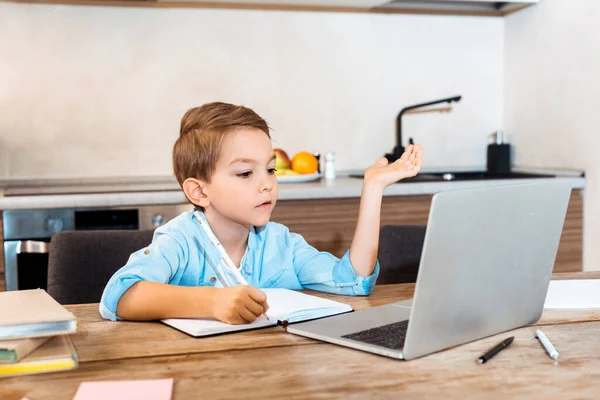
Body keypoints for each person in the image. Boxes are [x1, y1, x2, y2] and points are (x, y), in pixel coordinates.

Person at [100, 102, 423, 324]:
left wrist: (373, 189)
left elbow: (352, 282)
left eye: (270, 169)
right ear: (200, 191)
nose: (266, 184)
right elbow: (121, 295)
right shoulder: (179, 240)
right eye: (245, 173)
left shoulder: (283, 243)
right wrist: (212, 302)